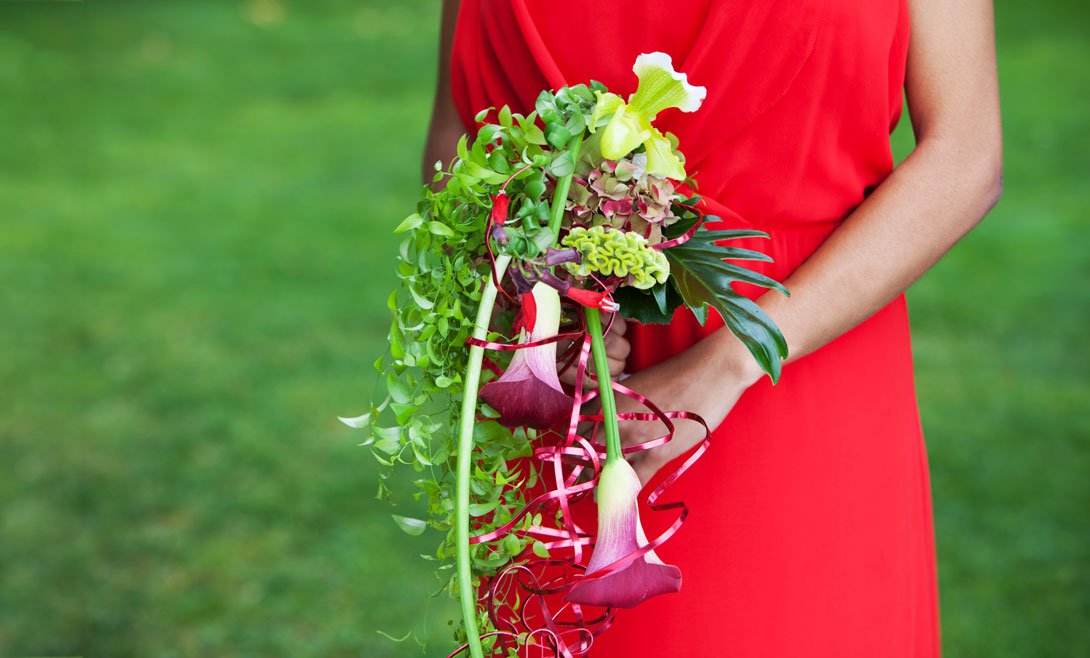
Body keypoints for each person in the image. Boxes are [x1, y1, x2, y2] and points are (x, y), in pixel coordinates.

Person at [423, 0, 1002, 655]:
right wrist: (530, 304)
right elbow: (459, 139)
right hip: (567, 393)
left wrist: (733, 358)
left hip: (802, 369)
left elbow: (966, 153)